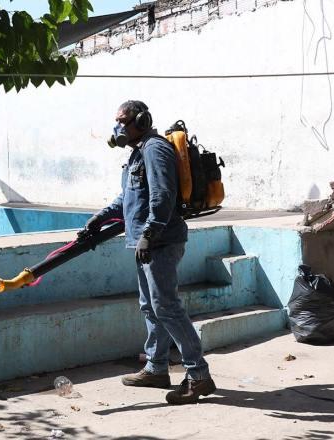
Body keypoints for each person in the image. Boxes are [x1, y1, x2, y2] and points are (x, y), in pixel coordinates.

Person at [82, 100, 216, 405]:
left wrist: (149, 234)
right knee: (150, 306)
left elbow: (163, 196)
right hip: (145, 242)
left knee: (166, 307)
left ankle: (198, 375)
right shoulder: (137, 153)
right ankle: (156, 368)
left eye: (122, 121)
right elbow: (127, 198)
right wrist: (101, 217)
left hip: (160, 242)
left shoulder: (155, 149)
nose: (117, 127)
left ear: (141, 121)